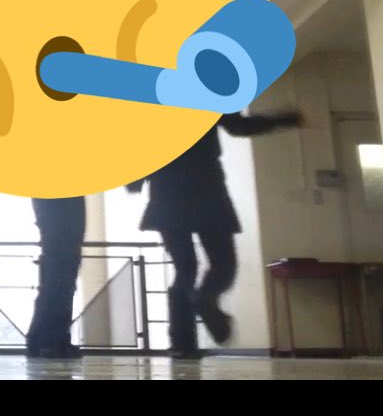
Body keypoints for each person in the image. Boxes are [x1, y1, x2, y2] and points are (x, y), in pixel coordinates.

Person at [127, 108, 304, 359]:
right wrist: (283, 119)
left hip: (166, 191)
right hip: (206, 187)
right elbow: (239, 127)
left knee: (185, 269)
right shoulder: (210, 92)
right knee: (224, 264)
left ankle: (182, 343)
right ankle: (205, 298)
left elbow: (140, 139)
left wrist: (134, 179)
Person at [27, 196, 87, 359]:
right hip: (63, 225)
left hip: (58, 225)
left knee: (58, 280)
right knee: (62, 281)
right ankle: (51, 340)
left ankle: (43, 338)